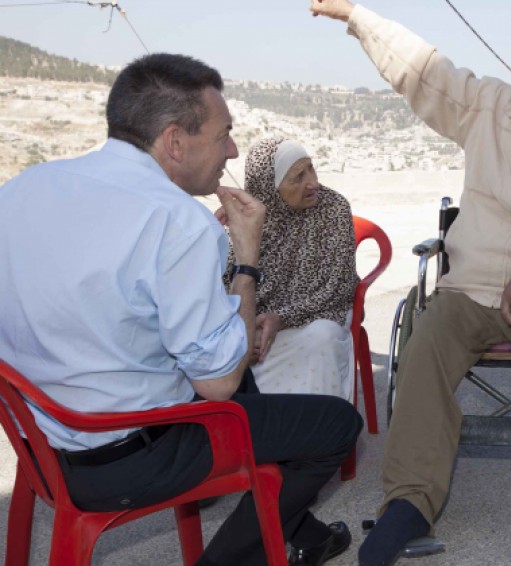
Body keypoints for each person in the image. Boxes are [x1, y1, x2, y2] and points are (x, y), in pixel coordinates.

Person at [309, 1, 511, 564]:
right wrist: (357, 17)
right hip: (469, 288)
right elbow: (422, 69)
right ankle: (410, 502)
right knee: (424, 346)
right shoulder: (490, 106)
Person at [0, 53, 362, 566]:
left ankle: (299, 531)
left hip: (43, 444)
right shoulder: (178, 222)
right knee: (334, 426)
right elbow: (217, 383)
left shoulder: (22, 189)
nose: (232, 150)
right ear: (175, 140)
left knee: (246, 382)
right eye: (223, 135)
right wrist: (247, 261)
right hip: (129, 458)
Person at [226, 136, 360, 400]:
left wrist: (281, 318)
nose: (313, 182)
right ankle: (255, 429)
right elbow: (225, 285)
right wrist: (247, 325)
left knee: (322, 339)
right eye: (298, 176)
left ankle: (319, 432)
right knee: (234, 351)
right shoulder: (248, 218)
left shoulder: (333, 208)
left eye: (311, 168)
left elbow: (338, 288)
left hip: (316, 315)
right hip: (254, 321)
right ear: (270, 188)